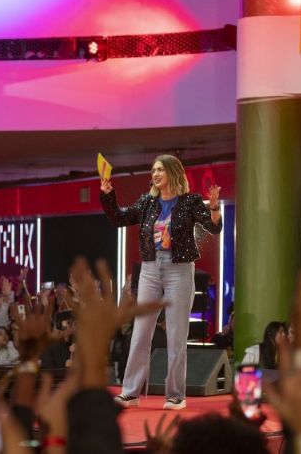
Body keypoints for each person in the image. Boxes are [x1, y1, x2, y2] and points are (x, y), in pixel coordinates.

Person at [102, 154, 222, 410]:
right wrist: (108, 195)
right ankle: (130, 392)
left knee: (177, 335)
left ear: (173, 173)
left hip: (179, 270)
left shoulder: (189, 202)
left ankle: (175, 394)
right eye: (153, 170)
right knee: (140, 333)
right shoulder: (147, 201)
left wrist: (213, 209)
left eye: (160, 170)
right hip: (150, 269)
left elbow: (213, 229)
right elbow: (119, 219)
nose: (155, 174)